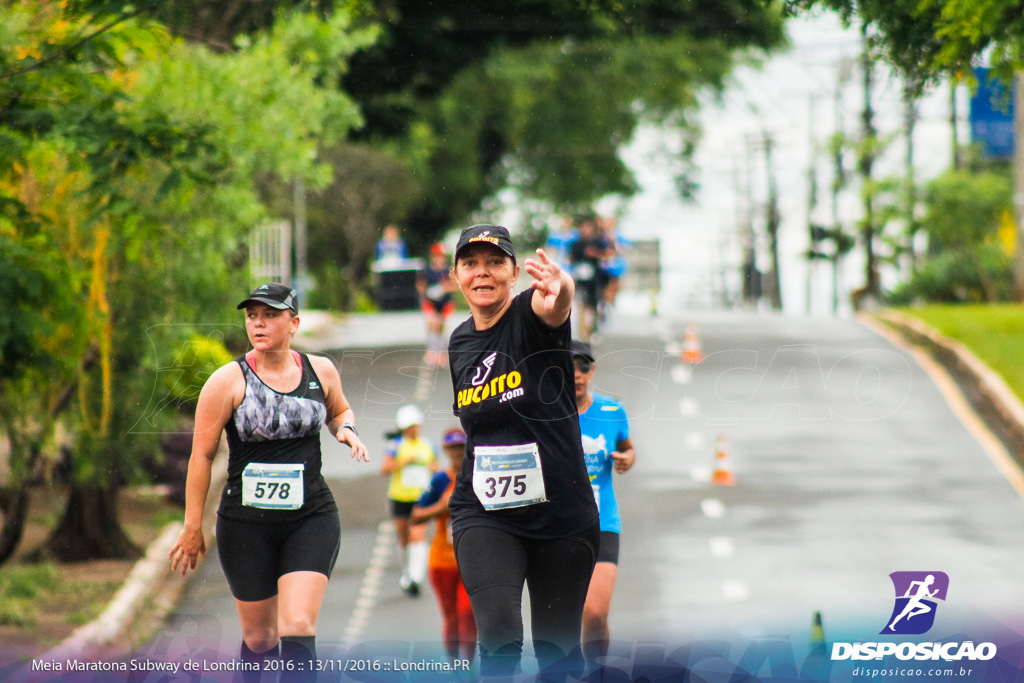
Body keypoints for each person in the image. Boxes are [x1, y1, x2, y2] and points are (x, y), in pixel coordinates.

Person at [168, 282, 369, 682]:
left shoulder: (320, 370)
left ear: (294, 323)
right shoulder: (228, 381)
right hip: (247, 524)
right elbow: (201, 457)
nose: (259, 324)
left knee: (296, 624)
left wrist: (345, 429)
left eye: (271, 315)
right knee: (260, 639)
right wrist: (192, 526)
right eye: (252, 316)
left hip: (310, 517)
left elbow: (339, 409)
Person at [446, 224, 600, 679]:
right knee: (498, 637)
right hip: (486, 512)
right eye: (471, 264)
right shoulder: (459, 341)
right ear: (456, 275)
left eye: (495, 263)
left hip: (562, 516)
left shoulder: (531, 317)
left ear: (514, 273)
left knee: (557, 654)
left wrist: (563, 286)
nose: (483, 273)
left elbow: (555, 304)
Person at [571, 339, 636, 672]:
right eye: (570, 366)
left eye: (584, 366)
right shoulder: (545, 413)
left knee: (595, 614)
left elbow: (627, 447)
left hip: (602, 522)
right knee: (561, 619)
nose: (577, 373)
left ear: (592, 370)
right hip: (559, 526)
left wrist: (626, 459)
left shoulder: (612, 411)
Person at [410, 427, 478, 663]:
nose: (457, 452)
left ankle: (468, 667)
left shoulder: (479, 475)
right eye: (452, 448)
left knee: (468, 613)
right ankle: (454, 667)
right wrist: (441, 507)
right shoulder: (439, 480)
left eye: (461, 447)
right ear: (446, 451)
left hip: (474, 558)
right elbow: (416, 515)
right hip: (443, 560)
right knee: (451, 617)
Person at [380, 404, 437, 597]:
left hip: (421, 499)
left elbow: (436, 467)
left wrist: (431, 468)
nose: (414, 429)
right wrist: (405, 461)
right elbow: (385, 469)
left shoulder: (428, 445)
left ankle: (415, 577)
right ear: (404, 428)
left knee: (418, 535)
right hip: (399, 497)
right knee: (404, 538)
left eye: (416, 425)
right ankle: (407, 573)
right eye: (410, 426)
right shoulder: (395, 446)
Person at [417, 243, 457, 366]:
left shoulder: (448, 270)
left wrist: (443, 289)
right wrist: (427, 293)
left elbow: (456, 285)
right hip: (430, 302)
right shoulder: (427, 270)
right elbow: (420, 284)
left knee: (443, 327)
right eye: (437, 255)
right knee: (432, 325)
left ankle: (441, 353)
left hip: (445, 303)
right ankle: (431, 351)